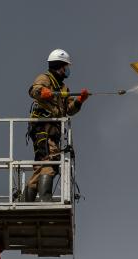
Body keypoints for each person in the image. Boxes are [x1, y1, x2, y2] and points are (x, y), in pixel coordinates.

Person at [24, 49, 89, 202]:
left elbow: (67, 110)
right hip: (43, 130)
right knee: (51, 163)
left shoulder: (63, 88)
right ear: (59, 66)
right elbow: (34, 90)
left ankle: (26, 202)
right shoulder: (45, 78)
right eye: (66, 66)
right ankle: (45, 200)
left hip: (52, 132)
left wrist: (79, 100)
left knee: (41, 166)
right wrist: (43, 92)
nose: (67, 70)